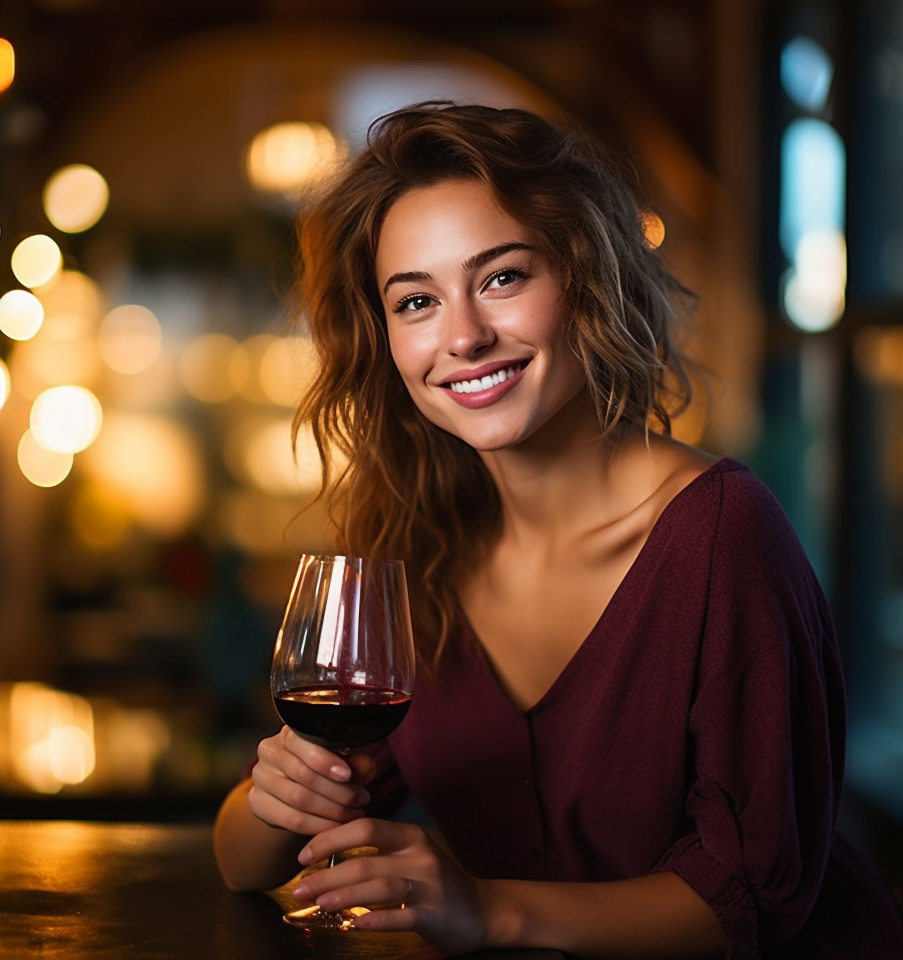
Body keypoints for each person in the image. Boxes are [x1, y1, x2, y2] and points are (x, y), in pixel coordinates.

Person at [213, 101, 903, 957]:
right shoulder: (413, 545)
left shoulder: (723, 534)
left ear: (585, 276)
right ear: (384, 337)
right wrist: (276, 796)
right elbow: (243, 864)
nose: (462, 336)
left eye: (502, 277)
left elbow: (751, 905)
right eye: (416, 300)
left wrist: (488, 911)